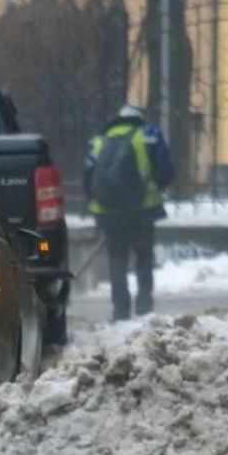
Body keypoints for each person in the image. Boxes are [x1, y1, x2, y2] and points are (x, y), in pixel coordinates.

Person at [84, 103, 174, 322]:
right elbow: (166, 171)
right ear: (139, 118)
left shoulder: (99, 140)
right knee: (143, 258)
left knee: (117, 260)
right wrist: (155, 188)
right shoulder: (149, 135)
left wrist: (98, 203)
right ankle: (144, 308)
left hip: (109, 211)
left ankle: (120, 311)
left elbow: (87, 176)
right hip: (142, 210)